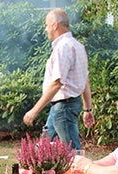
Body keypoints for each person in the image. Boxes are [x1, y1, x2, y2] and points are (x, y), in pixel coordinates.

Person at [23, 8, 95, 150]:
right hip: (64, 106)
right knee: (43, 149)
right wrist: (88, 109)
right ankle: (46, 173)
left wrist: (34, 111)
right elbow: (84, 79)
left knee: (73, 152)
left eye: (47, 25)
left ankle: (80, 171)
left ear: (55, 25)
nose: (46, 29)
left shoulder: (63, 48)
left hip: (64, 107)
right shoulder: (78, 46)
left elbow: (57, 83)